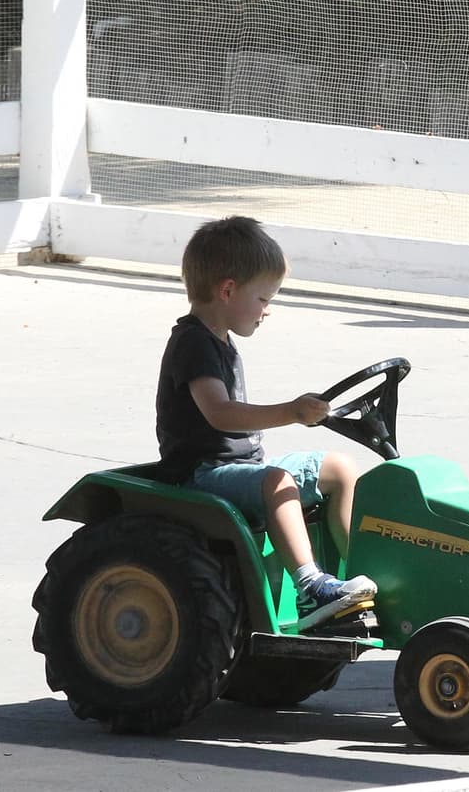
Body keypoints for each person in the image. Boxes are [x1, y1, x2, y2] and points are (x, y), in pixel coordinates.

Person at [155, 215, 377, 631]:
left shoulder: (219, 340)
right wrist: (291, 412)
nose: (267, 311)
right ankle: (314, 588)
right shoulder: (193, 344)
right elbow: (219, 413)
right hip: (202, 474)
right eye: (263, 299)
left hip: (239, 467)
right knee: (277, 481)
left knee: (340, 470)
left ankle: (361, 575)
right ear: (227, 290)